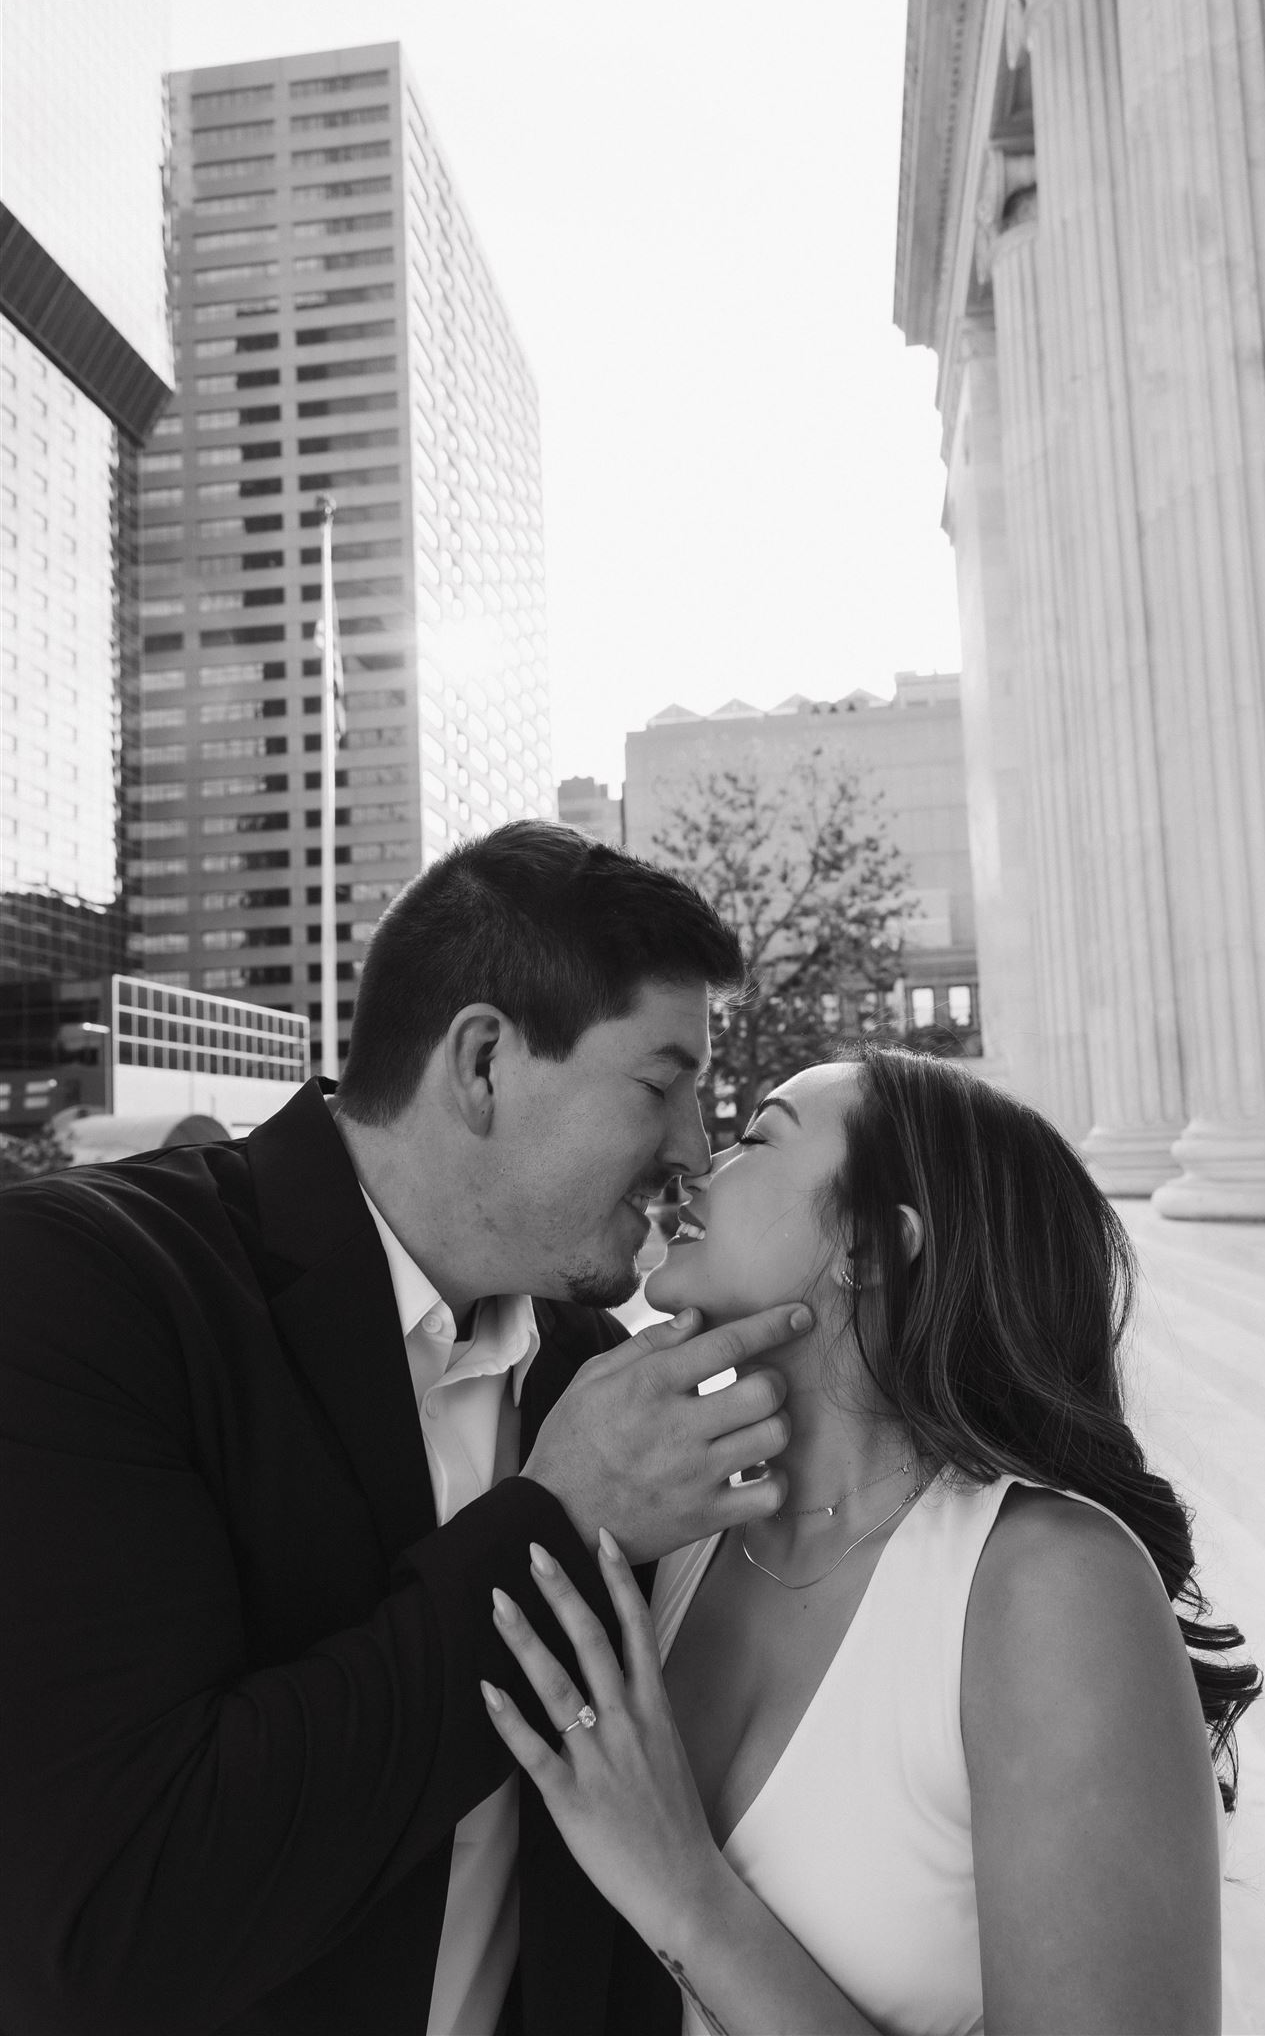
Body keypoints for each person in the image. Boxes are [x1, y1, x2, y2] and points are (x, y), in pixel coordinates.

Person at [0, 822, 808, 2036]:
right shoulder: (85, 1289)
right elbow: (115, 1917)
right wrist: (555, 1520)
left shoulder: (593, 1376)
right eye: (660, 1083)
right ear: (481, 1060)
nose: (694, 1148)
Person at [483, 1045, 1263, 2036]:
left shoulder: (1047, 1588)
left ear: (870, 1244)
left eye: (757, 1135)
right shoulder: (664, 1530)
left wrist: (689, 1894)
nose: (694, 1166)